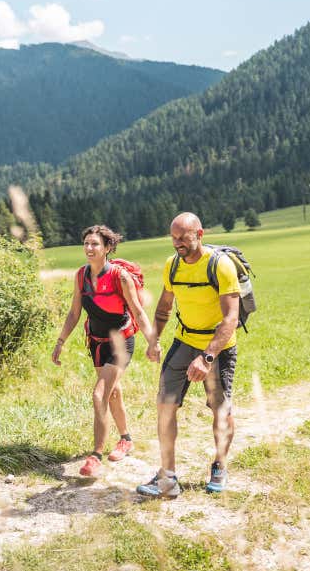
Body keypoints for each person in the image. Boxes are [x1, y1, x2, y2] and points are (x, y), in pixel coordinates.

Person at [137, 212, 239, 498]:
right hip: (184, 341)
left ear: (200, 234)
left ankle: (220, 465)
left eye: (183, 237)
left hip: (218, 346)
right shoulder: (172, 266)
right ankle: (167, 478)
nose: (178, 243)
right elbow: (163, 308)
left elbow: (231, 318)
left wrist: (207, 357)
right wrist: (154, 340)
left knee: (221, 411)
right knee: (165, 404)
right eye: (173, 238)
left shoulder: (221, 266)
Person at [52, 224, 158, 477]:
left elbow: (138, 312)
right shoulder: (81, 276)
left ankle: (96, 455)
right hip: (96, 341)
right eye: (86, 243)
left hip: (121, 340)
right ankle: (126, 439)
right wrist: (60, 341)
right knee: (112, 393)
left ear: (108, 248)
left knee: (99, 394)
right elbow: (74, 313)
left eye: (95, 244)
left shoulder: (120, 277)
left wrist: (153, 342)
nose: (89, 248)